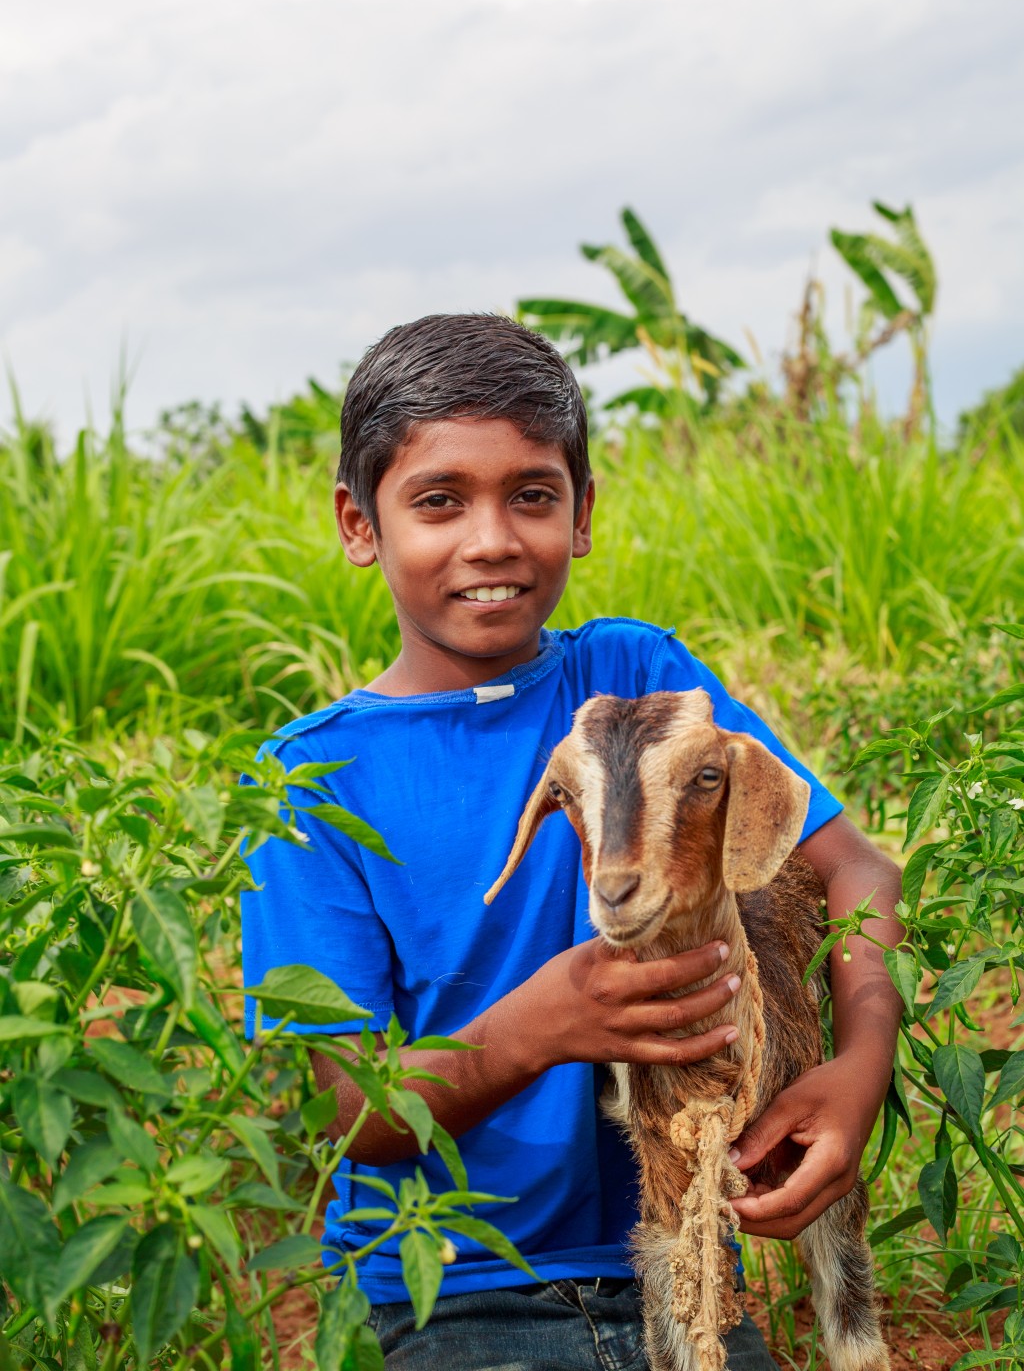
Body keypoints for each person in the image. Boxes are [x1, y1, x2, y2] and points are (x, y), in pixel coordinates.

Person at [241, 313, 903, 1371]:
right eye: (439, 501)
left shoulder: (636, 676)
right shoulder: (311, 781)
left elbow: (855, 870)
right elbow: (345, 1108)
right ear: (359, 523)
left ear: (582, 513)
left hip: (679, 1250)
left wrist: (860, 1069)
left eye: (532, 495)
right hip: (454, 1294)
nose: (492, 539)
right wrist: (538, 1027)